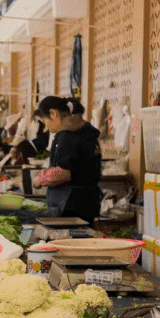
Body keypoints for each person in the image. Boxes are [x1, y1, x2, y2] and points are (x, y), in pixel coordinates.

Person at [32, 95, 102, 223]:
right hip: (87, 203)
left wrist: (40, 179)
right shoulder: (84, 131)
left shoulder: (67, 136)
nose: (46, 127)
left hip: (69, 205)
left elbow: (64, 172)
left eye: (44, 121)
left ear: (53, 114)